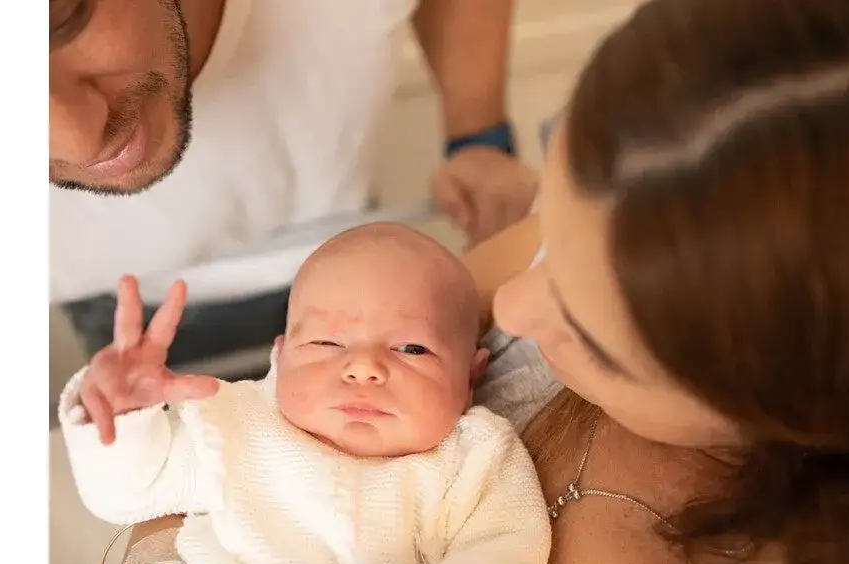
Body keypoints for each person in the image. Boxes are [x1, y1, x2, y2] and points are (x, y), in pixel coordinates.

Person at [101, 0, 849, 564]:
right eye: (549, 236)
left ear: (788, 412)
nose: (507, 306)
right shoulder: (635, 217)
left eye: (589, 337)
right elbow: (241, 432)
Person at [60, 224, 550, 564]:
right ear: (281, 355)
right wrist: (121, 415)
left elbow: (514, 552)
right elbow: (130, 494)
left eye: (411, 349)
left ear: (471, 374)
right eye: (325, 343)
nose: (364, 369)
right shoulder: (236, 422)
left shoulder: (476, 457)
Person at [49, 0, 537, 378]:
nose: (84, 139)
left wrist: (478, 134)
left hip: (339, 230)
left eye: (62, 19)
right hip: (122, 311)